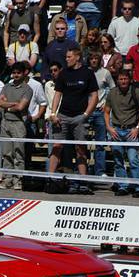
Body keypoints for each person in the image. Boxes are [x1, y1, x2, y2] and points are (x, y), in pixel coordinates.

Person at [48, 47, 97, 193]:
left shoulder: (88, 73)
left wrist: (86, 114)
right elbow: (58, 94)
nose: (66, 59)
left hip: (79, 116)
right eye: (66, 56)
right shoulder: (63, 73)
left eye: (69, 57)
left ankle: (83, 182)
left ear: (77, 57)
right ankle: (49, 178)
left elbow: (94, 96)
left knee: (80, 148)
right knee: (57, 146)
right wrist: (53, 113)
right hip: (63, 115)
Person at [104, 68, 139, 196]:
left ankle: (138, 187)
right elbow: (106, 111)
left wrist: (137, 128)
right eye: (121, 79)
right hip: (116, 130)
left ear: (129, 80)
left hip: (131, 130)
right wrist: (108, 127)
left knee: (133, 159)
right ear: (117, 80)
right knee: (118, 160)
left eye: (125, 79)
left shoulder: (136, 91)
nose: (123, 81)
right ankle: (122, 186)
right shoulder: (112, 93)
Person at [0, 62, 31, 189]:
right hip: (5, 122)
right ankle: (7, 178)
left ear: (23, 73)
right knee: (6, 152)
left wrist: (7, 105)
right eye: (14, 72)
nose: (16, 75)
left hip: (18, 123)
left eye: (18, 73)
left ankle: (18, 179)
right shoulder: (6, 86)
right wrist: (14, 104)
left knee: (18, 153)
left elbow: (21, 107)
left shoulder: (27, 89)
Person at [88, 50, 113, 177]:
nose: (94, 61)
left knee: (100, 143)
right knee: (82, 142)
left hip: (100, 111)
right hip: (87, 111)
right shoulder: (85, 72)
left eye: (96, 58)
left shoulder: (105, 73)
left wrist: (107, 103)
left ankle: (100, 171)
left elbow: (113, 89)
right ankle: (82, 170)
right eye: (91, 58)